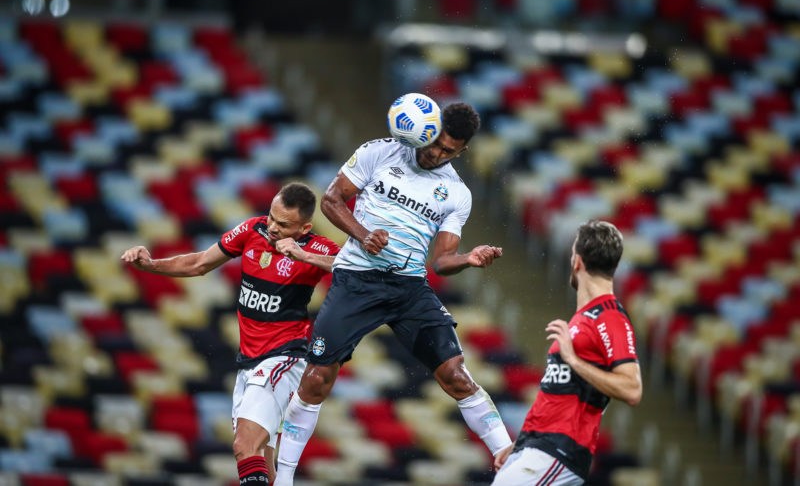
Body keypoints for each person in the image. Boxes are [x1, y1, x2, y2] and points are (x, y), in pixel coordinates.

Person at [274, 102, 512, 485]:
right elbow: (332, 199)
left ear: (461, 152)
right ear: (427, 128)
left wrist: (469, 257)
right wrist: (363, 235)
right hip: (357, 280)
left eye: (448, 151)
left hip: (408, 289)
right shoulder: (379, 151)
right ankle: (281, 479)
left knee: (456, 375)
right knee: (317, 377)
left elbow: (443, 261)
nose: (436, 153)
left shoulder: (456, 193)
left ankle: (507, 456)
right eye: (434, 142)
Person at [120, 182, 339, 485]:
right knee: (263, 465)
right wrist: (151, 265)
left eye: (283, 224)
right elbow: (198, 264)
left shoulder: (316, 247)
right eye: (271, 217)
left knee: (244, 447)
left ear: (304, 228)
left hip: (283, 357)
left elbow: (354, 269)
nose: (272, 228)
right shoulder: (252, 230)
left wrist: (305, 257)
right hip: (248, 363)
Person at [491, 220, 642, 486]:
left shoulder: (610, 317)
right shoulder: (584, 319)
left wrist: (573, 360)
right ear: (614, 267)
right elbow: (556, 399)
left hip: (557, 451)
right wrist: (520, 444)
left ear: (577, 262)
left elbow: (631, 389)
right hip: (538, 447)